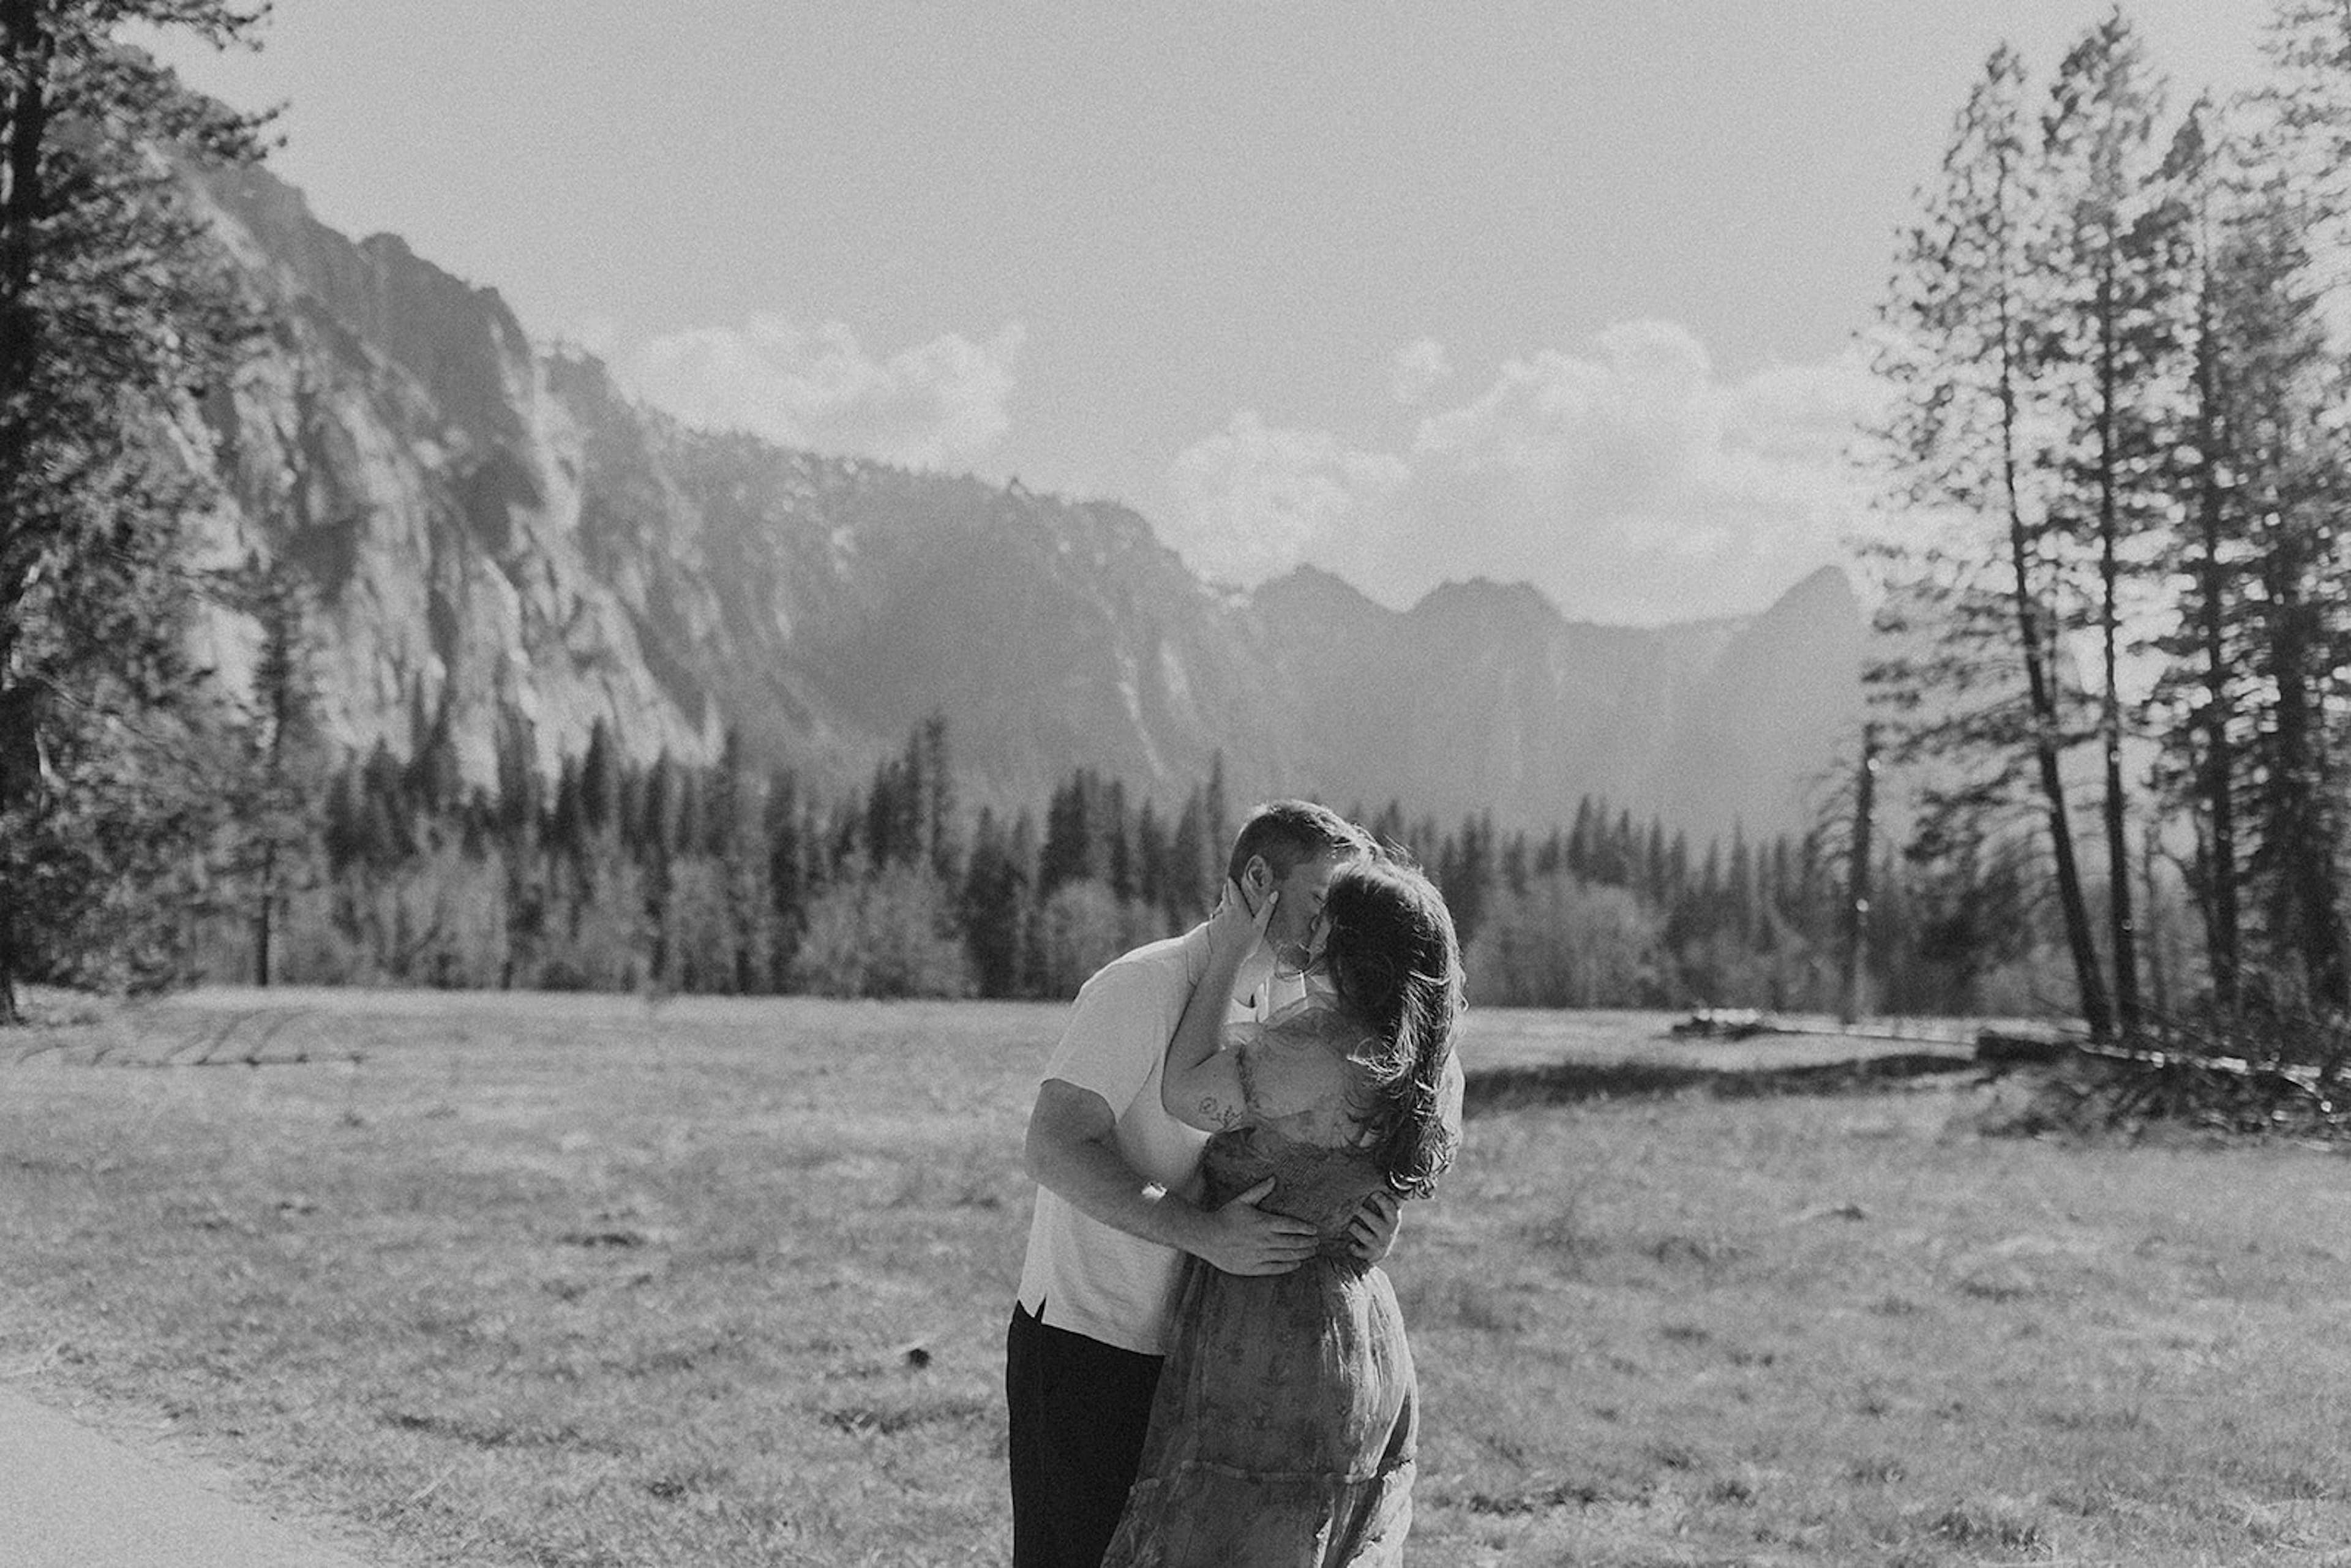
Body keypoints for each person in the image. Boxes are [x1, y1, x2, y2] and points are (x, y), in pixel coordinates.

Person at [1008, 801, 1393, 1568]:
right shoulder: (1141, 986)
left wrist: (1366, 1229)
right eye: (1320, 903)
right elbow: (1052, 1146)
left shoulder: (1290, 1008)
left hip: (1204, 1353)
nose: (1331, 932)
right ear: (1257, 880)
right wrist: (1203, 1233)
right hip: (1091, 1343)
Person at [1100, 853, 1466, 1567]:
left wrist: (1228, 953)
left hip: (1275, 1333)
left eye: (1331, 912)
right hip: (1363, 1332)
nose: (1315, 920)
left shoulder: (1318, 1048)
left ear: (1356, 943)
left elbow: (1184, 1091)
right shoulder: (1429, 1061)